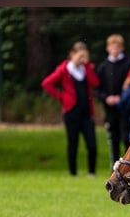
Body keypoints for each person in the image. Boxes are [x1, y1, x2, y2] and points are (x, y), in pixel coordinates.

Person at [41, 41, 100, 177]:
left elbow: (95, 83)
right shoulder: (64, 69)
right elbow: (47, 84)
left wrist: (87, 66)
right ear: (72, 54)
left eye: (84, 56)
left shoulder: (86, 69)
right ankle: (73, 173)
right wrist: (62, 97)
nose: (82, 59)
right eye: (80, 56)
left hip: (86, 113)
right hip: (71, 112)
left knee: (92, 144)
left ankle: (91, 172)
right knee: (73, 143)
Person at [96, 34, 130, 166]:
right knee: (114, 138)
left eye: (117, 47)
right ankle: (115, 167)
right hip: (110, 109)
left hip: (125, 108)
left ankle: (128, 165)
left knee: (126, 137)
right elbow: (98, 89)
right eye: (112, 47)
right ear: (107, 48)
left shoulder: (129, 64)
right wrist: (106, 98)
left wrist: (121, 97)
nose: (115, 50)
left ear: (122, 48)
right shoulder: (103, 67)